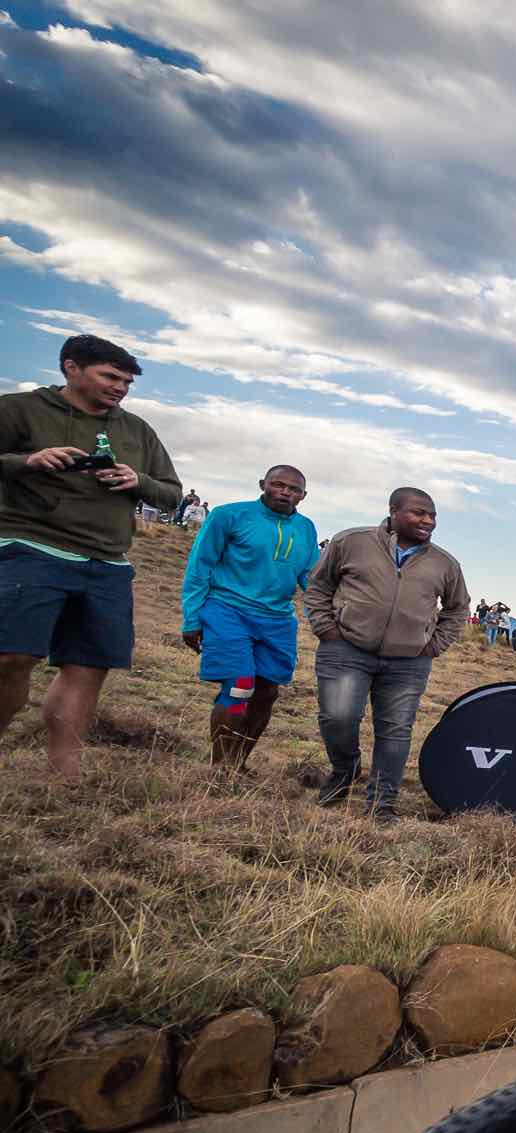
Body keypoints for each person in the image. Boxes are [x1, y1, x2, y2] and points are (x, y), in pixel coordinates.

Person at [0, 334, 183, 781]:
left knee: (88, 666)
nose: (120, 388)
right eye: (110, 376)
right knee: (11, 657)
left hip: (107, 561)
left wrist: (135, 479)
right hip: (31, 545)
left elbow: (172, 493)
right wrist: (27, 462)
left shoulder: (136, 430)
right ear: (71, 368)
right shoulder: (19, 410)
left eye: (126, 381)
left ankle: (65, 771)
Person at [303, 488, 469, 820]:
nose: (427, 521)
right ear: (393, 511)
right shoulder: (351, 542)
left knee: (395, 730)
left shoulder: (444, 563)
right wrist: (327, 628)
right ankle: (345, 769)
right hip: (346, 648)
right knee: (338, 718)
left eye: (432, 515)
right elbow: (319, 585)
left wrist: (433, 645)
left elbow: (457, 608)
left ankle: (382, 804)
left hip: (409, 662)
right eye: (419, 513)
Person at [179, 465, 318, 769]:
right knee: (240, 684)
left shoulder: (306, 528)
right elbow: (200, 566)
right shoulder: (229, 515)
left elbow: (311, 578)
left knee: (267, 691)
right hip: (228, 609)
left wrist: (323, 616)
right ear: (262, 484)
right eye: (278, 484)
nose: (285, 492)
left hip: (278, 619)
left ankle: (239, 763)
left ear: (303, 496)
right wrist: (191, 617)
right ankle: (220, 767)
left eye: (293, 489)